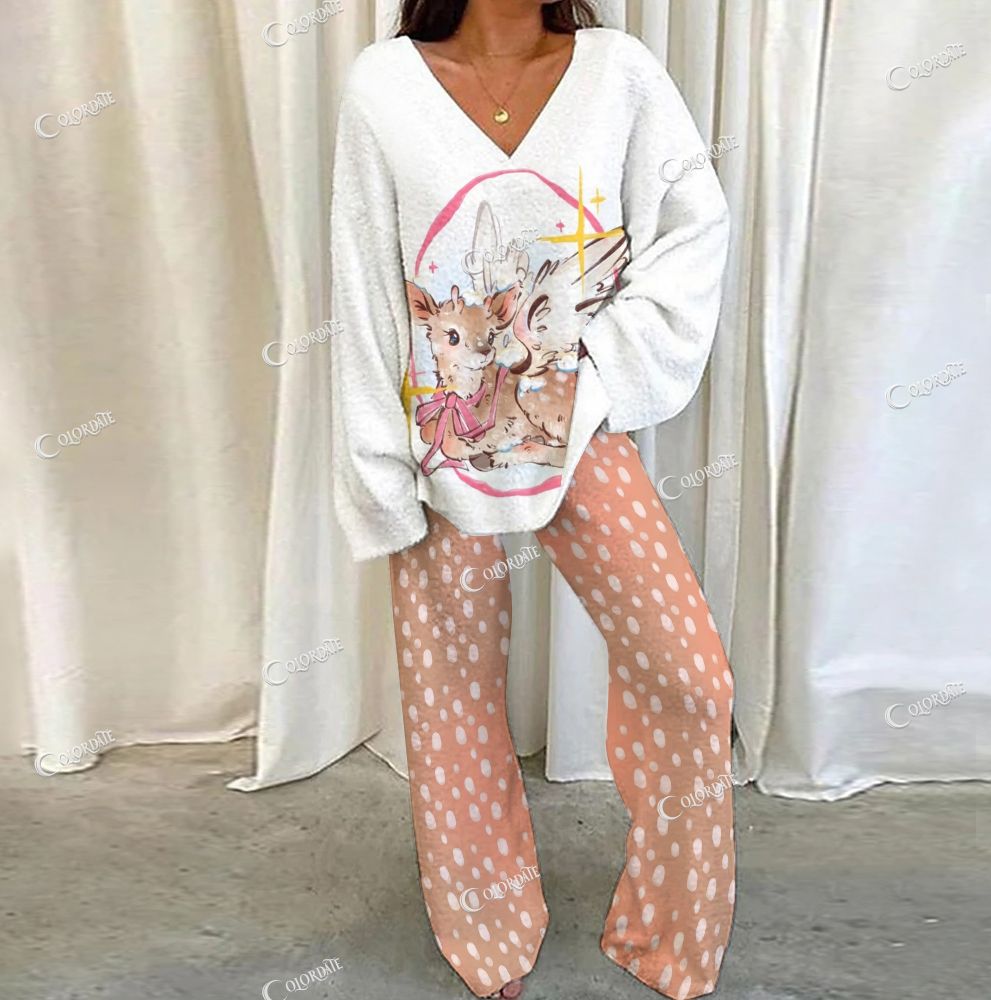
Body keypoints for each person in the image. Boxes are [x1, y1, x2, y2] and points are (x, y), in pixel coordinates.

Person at [328, 1, 735, 997]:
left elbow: (694, 228)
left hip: (574, 426)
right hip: (439, 447)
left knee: (691, 678)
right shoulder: (384, 87)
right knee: (451, 697)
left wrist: (597, 372)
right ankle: (489, 932)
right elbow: (364, 287)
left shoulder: (617, 72)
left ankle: (669, 929)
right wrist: (379, 468)